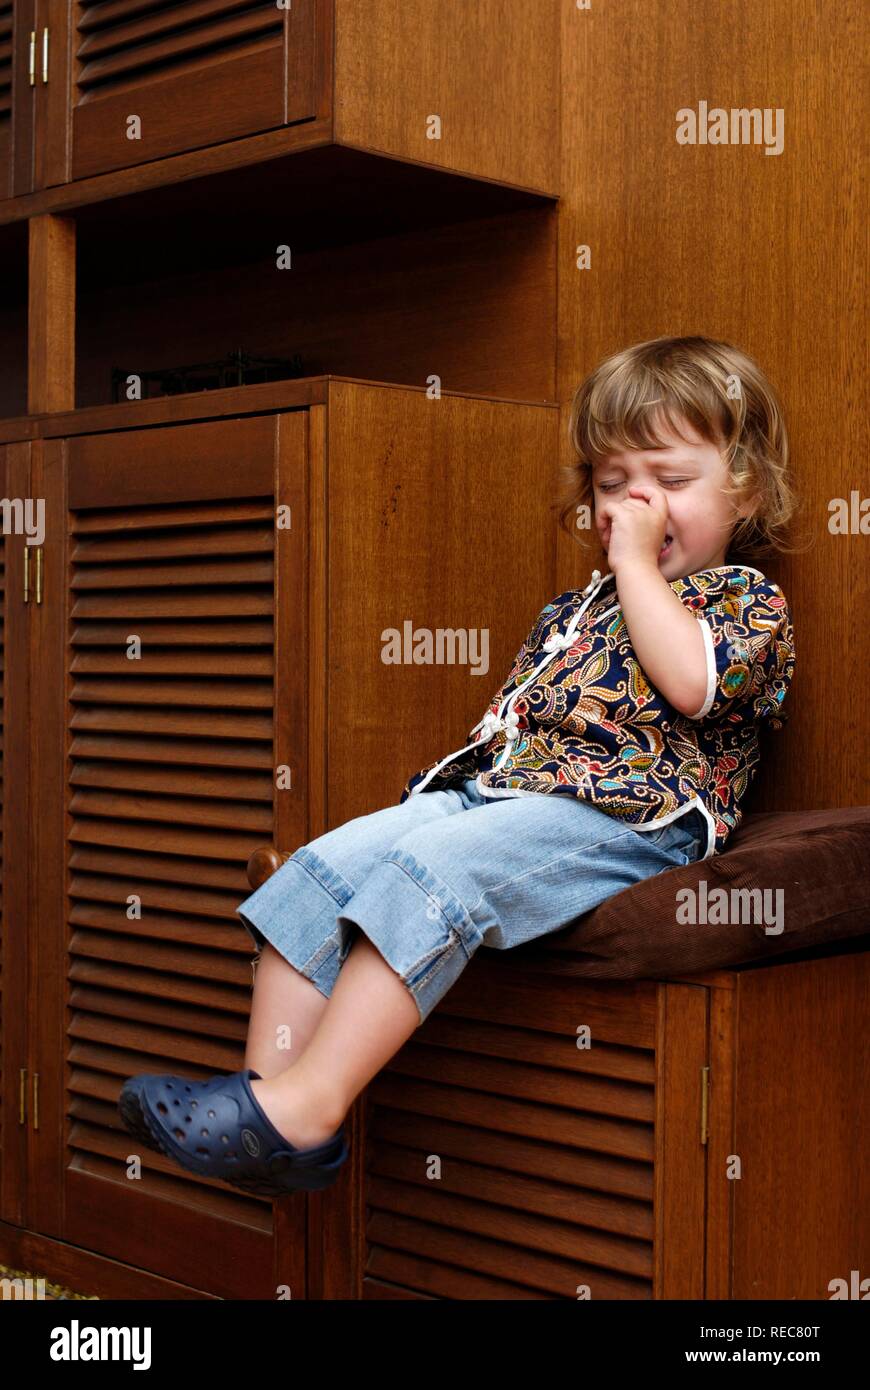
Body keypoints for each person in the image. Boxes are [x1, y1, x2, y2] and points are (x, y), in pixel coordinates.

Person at [119, 335, 798, 1197]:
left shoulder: (744, 600)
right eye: (612, 483)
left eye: (668, 483)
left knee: (427, 873)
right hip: (502, 794)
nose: (636, 505)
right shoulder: (573, 608)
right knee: (325, 866)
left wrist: (632, 564)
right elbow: (514, 726)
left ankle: (312, 1104)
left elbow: (694, 685)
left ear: (747, 487)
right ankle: (270, 1112)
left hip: (635, 818)